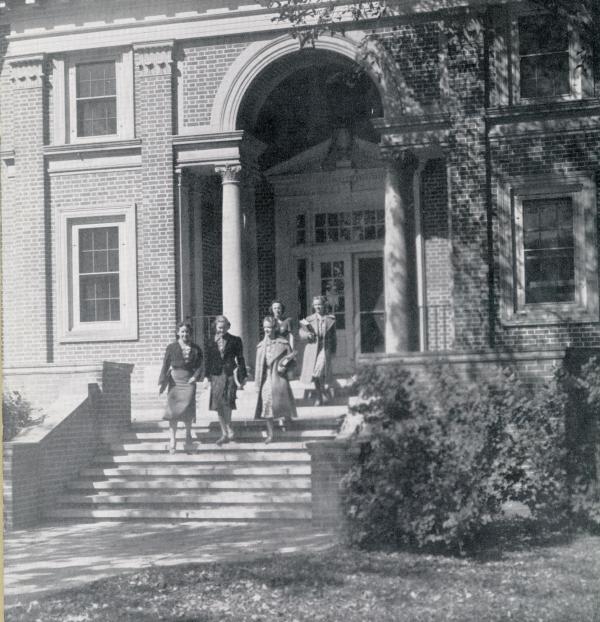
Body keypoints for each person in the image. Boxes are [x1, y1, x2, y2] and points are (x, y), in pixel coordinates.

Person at [158, 321, 204, 454]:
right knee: (173, 412)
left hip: (189, 382)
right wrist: (162, 382)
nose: (185, 334)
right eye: (182, 332)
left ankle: (188, 434)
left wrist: (195, 377)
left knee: (188, 410)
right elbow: (165, 364)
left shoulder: (196, 349)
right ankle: (172, 439)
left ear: (190, 334)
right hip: (175, 382)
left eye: (187, 332)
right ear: (178, 332)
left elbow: (201, 366)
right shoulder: (171, 347)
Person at [254, 316, 297, 443]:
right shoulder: (261, 346)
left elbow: (292, 359)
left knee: (282, 403)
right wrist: (257, 384)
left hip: (279, 378)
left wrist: (285, 367)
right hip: (266, 378)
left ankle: (288, 423)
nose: (268, 330)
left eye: (270, 327)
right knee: (267, 405)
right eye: (265, 327)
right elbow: (258, 366)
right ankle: (270, 434)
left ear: (275, 328)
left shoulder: (283, 343)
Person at [205, 315, 247, 445]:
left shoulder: (235, 340)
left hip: (229, 374)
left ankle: (229, 427)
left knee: (228, 401)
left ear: (228, 327)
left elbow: (240, 358)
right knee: (218, 403)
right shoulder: (210, 341)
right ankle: (224, 432)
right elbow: (207, 360)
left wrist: (243, 375)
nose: (221, 330)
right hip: (216, 375)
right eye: (219, 328)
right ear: (215, 327)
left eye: (224, 327)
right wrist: (206, 377)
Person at [299, 295, 336, 406]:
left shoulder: (331, 319)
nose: (317, 307)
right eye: (315, 305)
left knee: (318, 371)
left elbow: (334, 336)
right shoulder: (309, 320)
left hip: (325, 349)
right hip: (312, 349)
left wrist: (334, 350)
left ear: (324, 305)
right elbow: (301, 333)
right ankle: (320, 395)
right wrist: (307, 335)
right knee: (315, 374)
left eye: (319, 304)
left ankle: (321, 394)